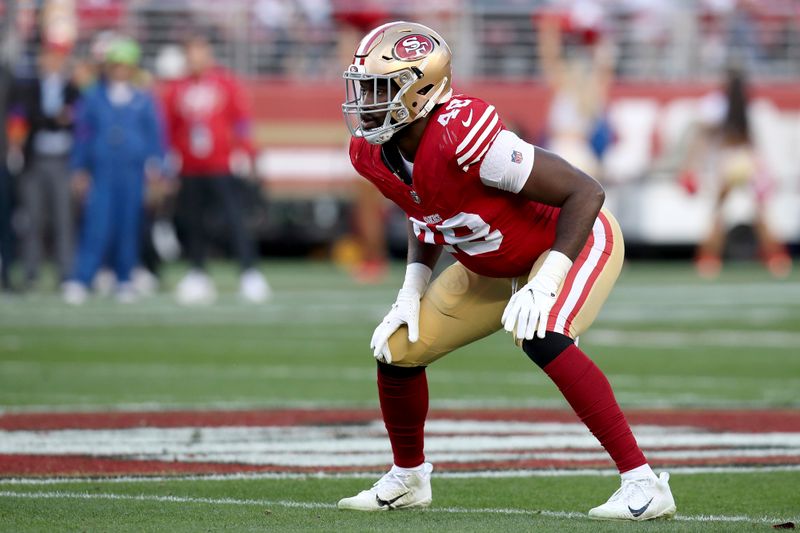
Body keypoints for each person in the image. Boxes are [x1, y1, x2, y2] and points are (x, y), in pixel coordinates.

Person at [337, 22, 676, 520]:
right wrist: (410, 291)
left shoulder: (462, 133)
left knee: (541, 333)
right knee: (397, 349)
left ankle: (643, 482)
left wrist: (548, 280)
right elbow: (423, 213)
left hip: (568, 241)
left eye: (380, 89)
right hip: (488, 264)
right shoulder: (371, 153)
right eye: (362, 88)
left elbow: (585, 192)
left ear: (422, 90)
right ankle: (408, 478)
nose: (366, 101)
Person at [163, 33, 270, 304]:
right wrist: (170, 158)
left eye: (199, 52)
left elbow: (241, 120)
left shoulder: (225, 83)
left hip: (222, 163)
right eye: (190, 53)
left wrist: (245, 152)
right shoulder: (177, 88)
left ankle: (249, 272)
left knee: (235, 220)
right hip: (190, 166)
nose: (195, 58)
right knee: (193, 222)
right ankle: (198, 272)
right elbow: (171, 127)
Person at [61, 37, 165, 304]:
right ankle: (82, 278)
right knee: (96, 225)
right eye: (116, 64)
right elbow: (83, 136)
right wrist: (79, 168)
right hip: (102, 170)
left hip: (132, 171)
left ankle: (124, 278)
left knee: (128, 227)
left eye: (125, 65)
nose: (120, 70)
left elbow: (155, 137)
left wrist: (158, 168)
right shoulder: (94, 98)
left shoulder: (143, 100)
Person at [678, 67, 791, 279]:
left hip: (727, 160)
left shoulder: (717, 105)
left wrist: (690, 166)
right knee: (757, 212)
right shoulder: (749, 106)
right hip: (746, 160)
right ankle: (777, 258)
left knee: (720, 213)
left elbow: (701, 137)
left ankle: (708, 260)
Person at [11, 42, 80, 290]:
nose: (52, 63)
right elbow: (26, 118)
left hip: (62, 160)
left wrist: (50, 121)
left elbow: (76, 123)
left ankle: (66, 273)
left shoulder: (72, 89)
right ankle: (31, 273)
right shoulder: (28, 88)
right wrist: (53, 120)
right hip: (35, 160)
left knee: (63, 219)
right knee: (32, 219)